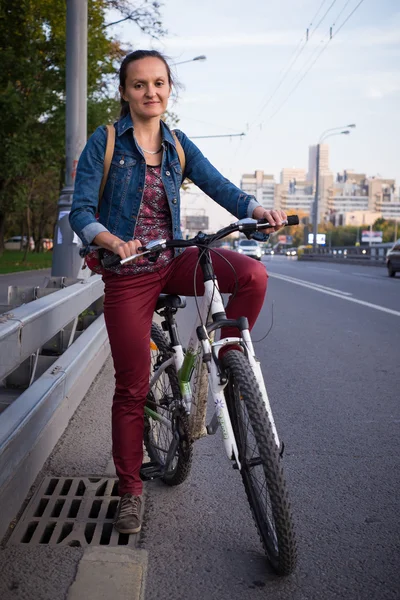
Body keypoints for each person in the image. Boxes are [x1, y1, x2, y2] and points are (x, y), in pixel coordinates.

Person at [69, 49, 287, 535]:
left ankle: (231, 361)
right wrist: (110, 239)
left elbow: (221, 187)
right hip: (128, 273)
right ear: (125, 91)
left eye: (159, 84)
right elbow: (80, 211)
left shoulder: (178, 144)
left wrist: (257, 209)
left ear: (169, 90)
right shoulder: (105, 143)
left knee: (252, 275)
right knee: (131, 388)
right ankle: (129, 491)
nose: (151, 92)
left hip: (173, 258)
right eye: (140, 84)